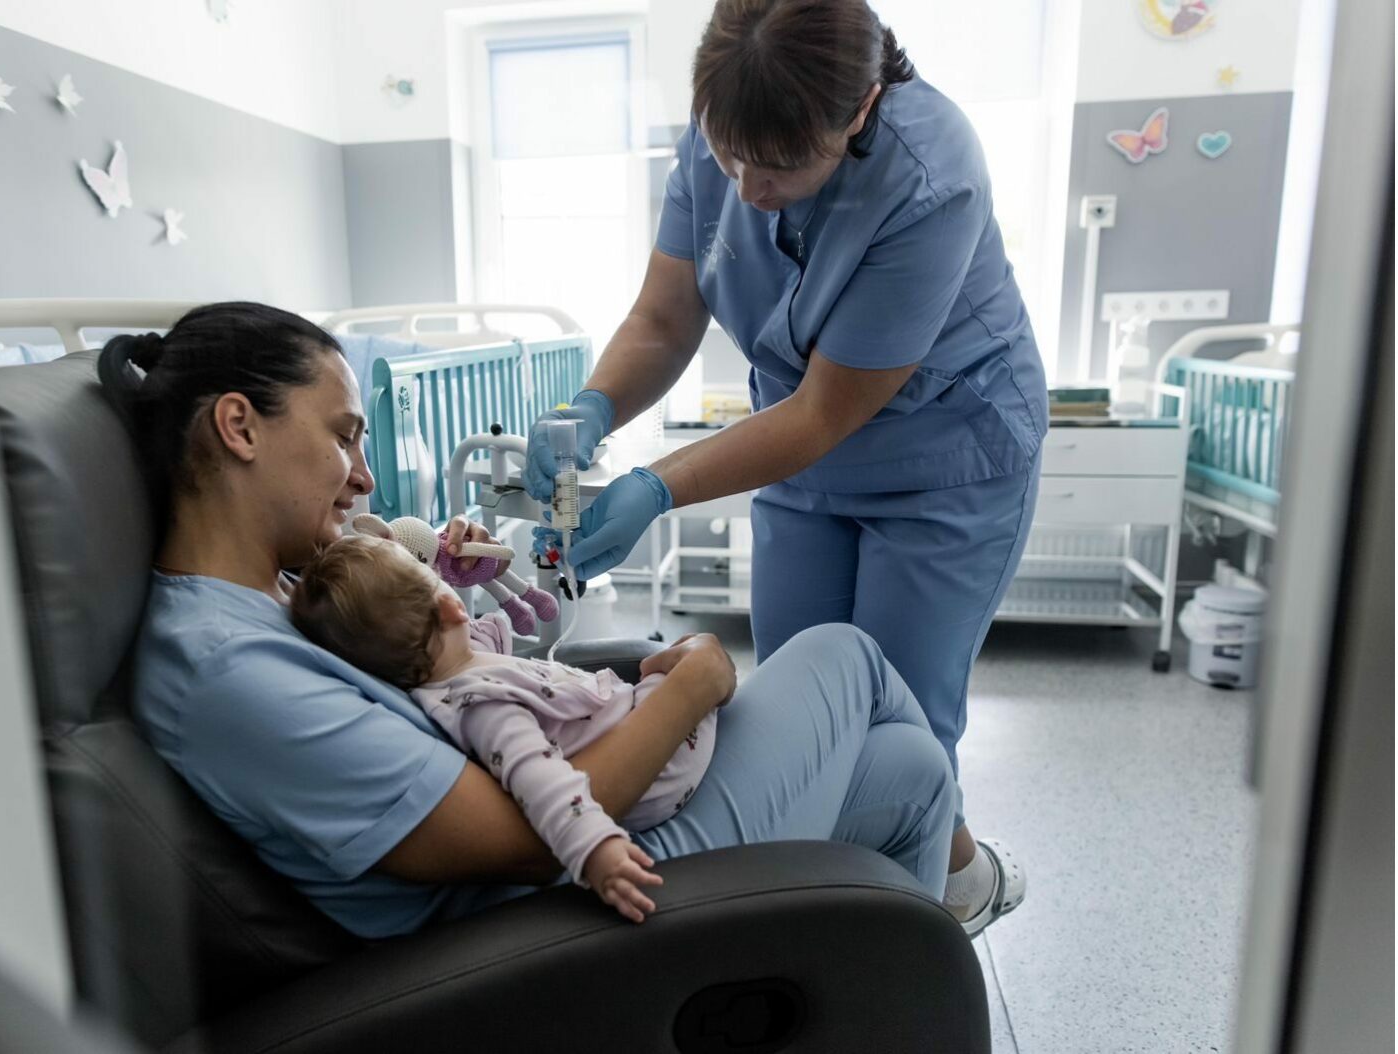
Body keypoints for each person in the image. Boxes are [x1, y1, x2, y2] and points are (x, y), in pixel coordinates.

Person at [100, 300, 959, 942]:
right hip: (570, 905)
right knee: (844, 655)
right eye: (344, 437)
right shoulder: (228, 669)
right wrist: (691, 684)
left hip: (599, 833)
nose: (365, 477)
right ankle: (959, 881)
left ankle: (896, 978)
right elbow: (525, 840)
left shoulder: (278, 590)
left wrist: (441, 595)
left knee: (913, 772)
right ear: (239, 426)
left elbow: (441, 689)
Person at [523, 0, 1042, 935]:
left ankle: (920, 933)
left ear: (860, 110)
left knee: (907, 723)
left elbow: (825, 412)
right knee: (793, 723)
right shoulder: (725, 126)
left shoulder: (932, 177)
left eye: (780, 168)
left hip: (945, 457)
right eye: (730, 159)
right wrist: (591, 406)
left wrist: (657, 485)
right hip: (803, 461)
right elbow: (663, 318)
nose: (750, 189)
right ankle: (863, 912)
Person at [290, 533, 721, 923]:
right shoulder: (483, 706)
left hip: (649, 746)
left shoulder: (453, 665)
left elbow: (473, 631)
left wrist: (450, 571)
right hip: (664, 770)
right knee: (674, 660)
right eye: (433, 576)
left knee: (674, 658)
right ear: (451, 608)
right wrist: (596, 849)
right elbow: (540, 779)